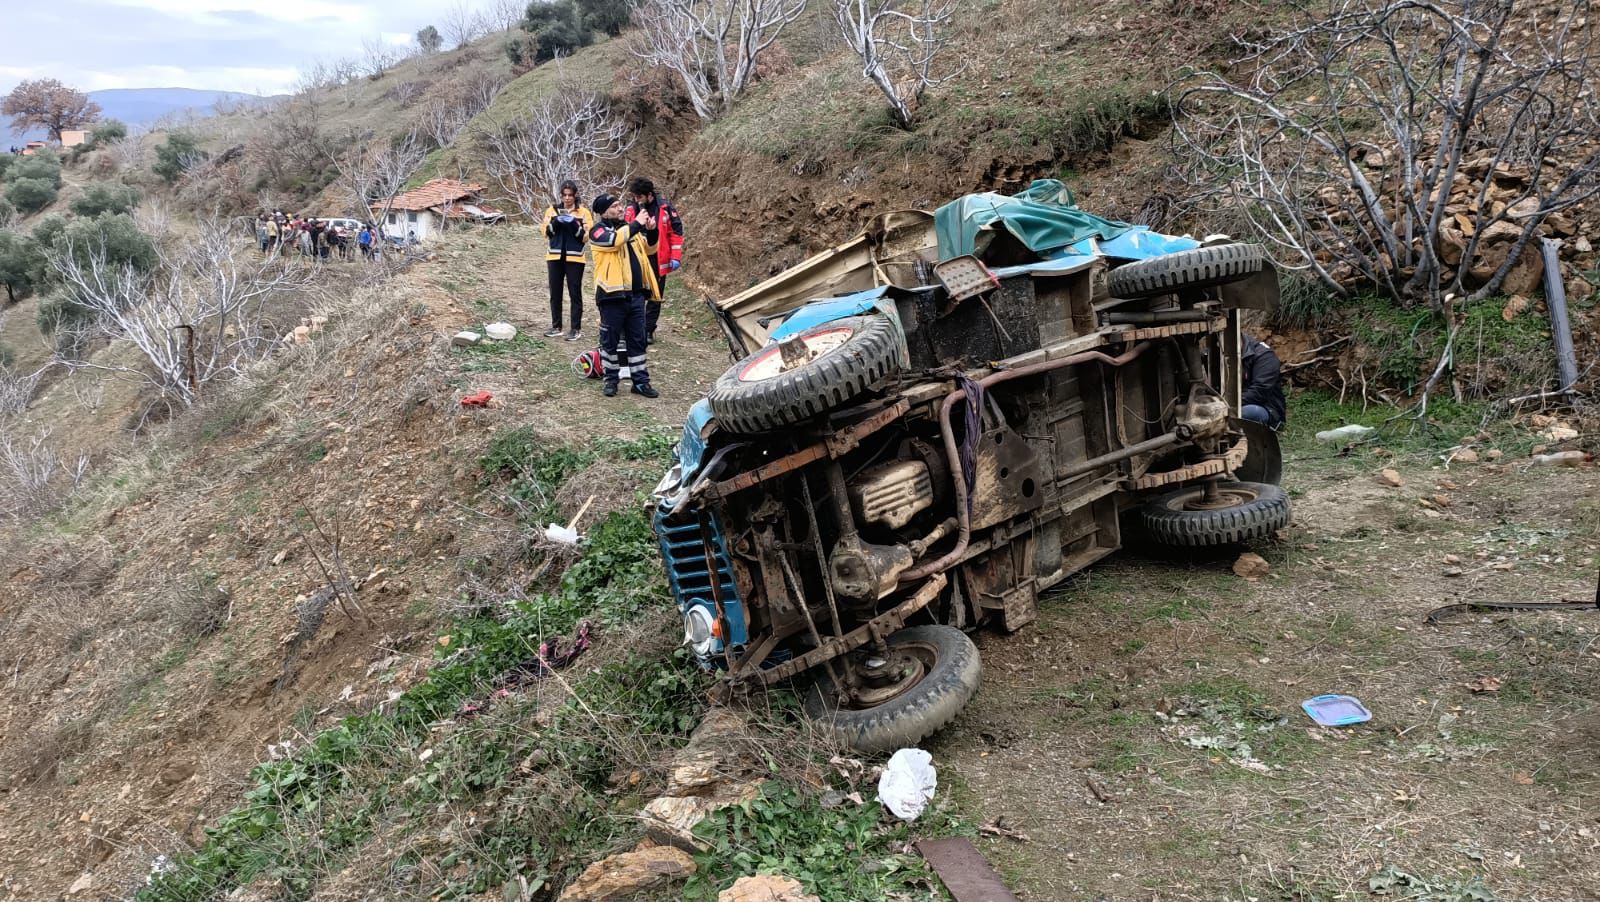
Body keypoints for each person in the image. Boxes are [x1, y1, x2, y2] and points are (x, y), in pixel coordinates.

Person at [589, 193, 659, 399]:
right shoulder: (598, 230)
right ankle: (611, 380)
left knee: (637, 340)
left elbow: (650, 249)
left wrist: (652, 232)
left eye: (620, 205)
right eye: (614, 206)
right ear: (603, 212)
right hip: (611, 296)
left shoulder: (630, 230)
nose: (620, 209)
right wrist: (637, 224)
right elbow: (614, 242)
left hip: (636, 297)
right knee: (610, 341)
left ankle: (640, 382)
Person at [623, 177, 683, 346]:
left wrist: (675, 257)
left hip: (658, 258)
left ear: (649, 195)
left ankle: (648, 330)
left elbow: (676, 233)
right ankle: (634, 328)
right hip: (635, 258)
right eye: (634, 197)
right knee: (636, 294)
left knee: (655, 297)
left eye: (639, 197)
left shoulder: (665, 208)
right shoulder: (631, 208)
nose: (636, 200)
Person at [543, 180, 594, 341]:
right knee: (555, 292)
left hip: (575, 257)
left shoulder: (584, 212)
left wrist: (573, 224)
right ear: (560, 195)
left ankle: (575, 328)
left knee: (575, 293)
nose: (567, 198)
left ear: (575, 195)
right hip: (554, 256)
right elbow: (546, 233)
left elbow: (586, 237)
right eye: (564, 195)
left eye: (570, 195)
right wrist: (556, 222)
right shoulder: (552, 210)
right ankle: (556, 326)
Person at [1241, 333, 1286, 430]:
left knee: (1246, 413)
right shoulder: (1221, 354)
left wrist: (1226, 405)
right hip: (1238, 403)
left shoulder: (1265, 356)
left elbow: (1259, 391)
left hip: (1267, 409)